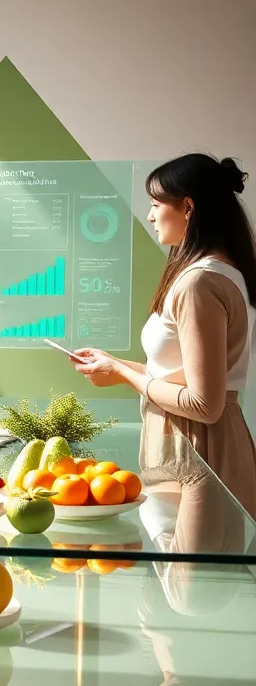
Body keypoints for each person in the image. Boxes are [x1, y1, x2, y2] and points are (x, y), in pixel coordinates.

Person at [73, 154, 256, 515]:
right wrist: (115, 365)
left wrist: (124, 374)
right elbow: (180, 376)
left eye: (156, 204)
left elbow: (204, 405)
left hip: (200, 454)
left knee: (190, 571)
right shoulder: (219, 272)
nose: (151, 215)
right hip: (198, 450)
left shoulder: (200, 282)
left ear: (187, 207)